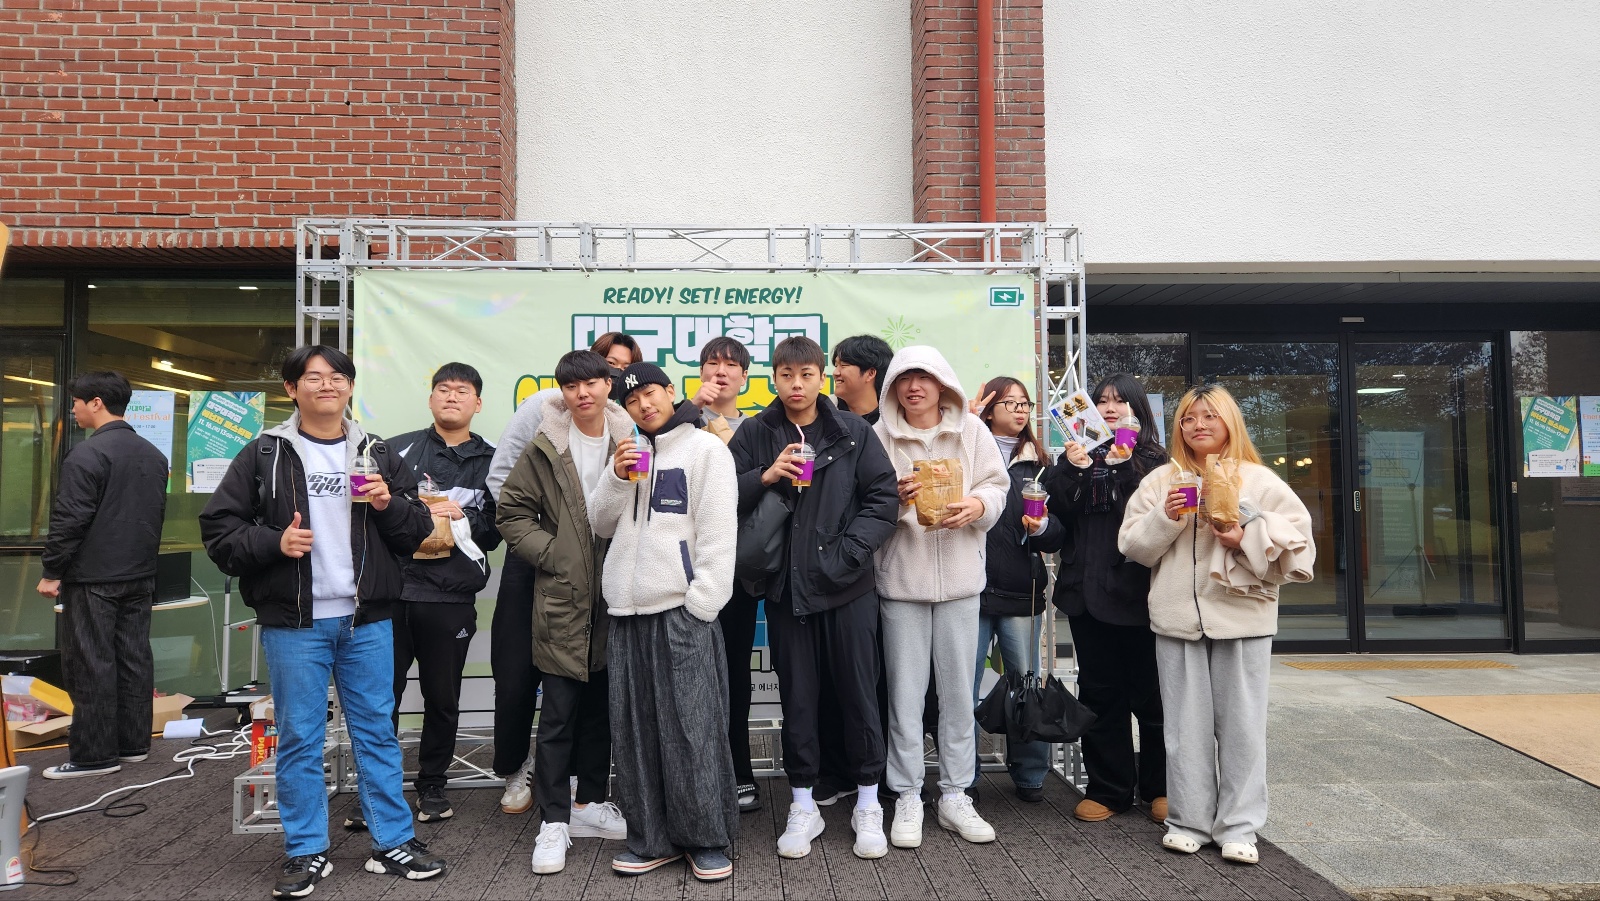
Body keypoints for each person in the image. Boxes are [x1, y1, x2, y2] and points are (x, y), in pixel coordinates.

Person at [200, 345, 444, 897]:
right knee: (300, 738)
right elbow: (219, 530)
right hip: (296, 623)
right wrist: (274, 542)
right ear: (292, 389)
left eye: (337, 376)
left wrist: (388, 505)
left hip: (367, 621)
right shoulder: (264, 453)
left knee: (377, 733)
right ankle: (306, 849)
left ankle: (392, 841)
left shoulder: (377, 452)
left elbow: (418, 530)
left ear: (350, 387)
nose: (327, 385)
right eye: (313, 377)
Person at [1118, 383, 1315, 865]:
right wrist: (1166, 517)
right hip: (1176, 620)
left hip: (1242, 619)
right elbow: (1133, 547)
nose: (1198, 425)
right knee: (1183, 729)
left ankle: (1239, 827)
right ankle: (1187, 821)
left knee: (1243, 729)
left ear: (1230, 422)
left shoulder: (1260, 480)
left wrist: (1241, 535)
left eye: (1209, 416)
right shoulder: (1162, 481)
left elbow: (1299, 542)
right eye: (1188, 418)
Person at [728, 336, 899, 860]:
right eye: (786, 375)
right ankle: (802, 803)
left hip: (848, 587)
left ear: (822, 378)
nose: (796, 385)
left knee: (859, 694)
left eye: (806, 374)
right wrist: (765, 475)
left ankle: (867, 801)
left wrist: (850, 553)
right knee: (798, 698)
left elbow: (883, 497)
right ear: (773, 379)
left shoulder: (851, 431)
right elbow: (720, 496)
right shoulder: (756, 432)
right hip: (786, 589)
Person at [589, 362, 740, 882]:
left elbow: (719, 536)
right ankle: (650, 838)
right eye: (632, 401)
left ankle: (706, 839)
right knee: (634, 733)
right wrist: (616, 477)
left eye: (650, 393)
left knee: (693, 730)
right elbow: (600, 523)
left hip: (682, 610)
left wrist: (702, 604)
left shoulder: (705, 451)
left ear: (671, 392)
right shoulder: (627, 451)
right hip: (626, 614)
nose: (644, 405)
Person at [486, 332, 641, 813]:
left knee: (599, 695)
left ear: (610, 383)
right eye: (574, 384)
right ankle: (537, 793)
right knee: (535, 686)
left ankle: (588, 801)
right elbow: (508, 500)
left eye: (603, 377)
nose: (584, 392)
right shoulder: (544, 429)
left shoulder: (631, 433)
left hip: (609, 580)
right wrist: (554, 553)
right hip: (547, 572)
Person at [872, 346, 1009, 849]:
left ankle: (955, 793)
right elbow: (864, 501)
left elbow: (997, 485)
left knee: (957, 695)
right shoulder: (878, 436)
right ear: (892, 387)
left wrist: (978, 504)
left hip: (960, 582)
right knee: (905, 695)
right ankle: (907, 794)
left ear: (942, 383)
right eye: (905, 379)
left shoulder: (971, 431)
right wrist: (894, 499)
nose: (914, 388)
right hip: (901, 583)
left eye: (924, 378)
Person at [1046, 373, 1170, 823]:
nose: (1110, 408)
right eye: (1101, 401)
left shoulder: (1156, 461)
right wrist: (1072, 469)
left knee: (1153, 697)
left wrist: (1121, 462)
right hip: (1086, 594)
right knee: (1099, 695)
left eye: (1120, 401)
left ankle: (1160, 787)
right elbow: (1057, 513)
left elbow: (1153, 519)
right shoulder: (1076, 456)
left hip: (1139, 594)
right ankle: (1109, 788)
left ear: (1139, 409)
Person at [35, 371, 168, 781]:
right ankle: (133, 744)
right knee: (133, 657)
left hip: (94, 577)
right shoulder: (153, 455)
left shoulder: (87, 455)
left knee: (90, 661)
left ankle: (94, 756)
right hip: (140, 574)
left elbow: (70, 519)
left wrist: (52, 570)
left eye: (76, 401)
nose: (72, 409)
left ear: (96, 403)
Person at [387, 362, 502, 823]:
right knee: (381, 699)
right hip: (391, 594)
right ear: (431, 397)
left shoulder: (494, 461)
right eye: (444, 389)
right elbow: (369, 513)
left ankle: (432, 784)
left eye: (462, 391)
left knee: (443, 698)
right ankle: (378, 790)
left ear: (478, 403)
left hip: (450, 597)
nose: (452, 397)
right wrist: (410, 512)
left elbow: (498, 528)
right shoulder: (395, 450)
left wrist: (461, 519)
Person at [971, 376, 1065, 802]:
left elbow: (1059, 532)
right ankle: (963, 778)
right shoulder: (969, 450)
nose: (1021, 410)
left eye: (1025, 403)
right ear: (989, 409)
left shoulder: (1042, 464)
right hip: (969, 591)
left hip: (1021, 592)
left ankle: (1030, 774)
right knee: (962, 688)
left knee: (1025, 685)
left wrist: (1042, 527)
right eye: (1010, 403)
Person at [685, 335, 766, 813]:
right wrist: (692, 408)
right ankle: (691, 776)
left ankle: (739, 771)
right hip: (682, 568)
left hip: (738, 569)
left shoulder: (758, 427)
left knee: (735, 671)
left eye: (731, 365)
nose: (721, 371)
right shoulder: (678, 419)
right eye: (712, 363)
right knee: (686, 674)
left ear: (745, 376)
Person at [830, 334, 893, 424]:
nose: (835, 373)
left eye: (844, 365)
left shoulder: (894, 421)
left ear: (870, 374)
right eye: (836, 366)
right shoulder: (822, 412)